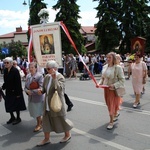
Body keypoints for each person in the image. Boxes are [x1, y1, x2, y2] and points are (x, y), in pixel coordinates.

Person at [37, 60, 73, 146]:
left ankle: (67, 135)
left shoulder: (60, 77)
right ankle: (46, 139)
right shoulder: (47, 77)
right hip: (47, 103)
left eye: (48, 69)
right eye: (46, 69)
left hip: (56, 103)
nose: (47, 70)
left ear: (55, 68)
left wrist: (55, 79)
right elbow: (45, 88)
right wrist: (41, 91)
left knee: (61, 119)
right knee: (46, 120)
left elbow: (60, 90)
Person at [97, 52, 125, 130]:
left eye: (110, 57)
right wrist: (99, 84)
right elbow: (102, 78)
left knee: (111, 106)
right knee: (109, 105)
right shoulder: (105, 66)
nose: (108, 59)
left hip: (113, 90)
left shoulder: (118, 68)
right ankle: (115, 113)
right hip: (106, 89)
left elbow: (122, 80)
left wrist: (114, 85)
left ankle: (111, 122)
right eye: (107, 57)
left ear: (113, 59)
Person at [1, 57, 26, 125]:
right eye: (5, 63)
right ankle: (12, 117)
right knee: (8, 104)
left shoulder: (15, 71)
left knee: (16, 105)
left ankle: (18, 118)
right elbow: (6, 81)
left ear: (11, 63)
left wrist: (18, 93)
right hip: (8, 91)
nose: (5, 64)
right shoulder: (5, 70)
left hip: (15, 91)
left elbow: (18, 82)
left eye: (7, 63)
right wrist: (3, 87)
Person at [24, 62, 44, 132]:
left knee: (38, 112)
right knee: (34, 111)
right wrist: (26, 91)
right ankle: (40, 122)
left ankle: (39, 124)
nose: (31, 69)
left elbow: (41, 88)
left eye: (32, 67)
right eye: (30, 67)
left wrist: (32, 92)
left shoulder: (40, 76)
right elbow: (25, 87)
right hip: (30, 97)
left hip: (37, 97)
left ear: (36, 68)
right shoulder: (28, 76)